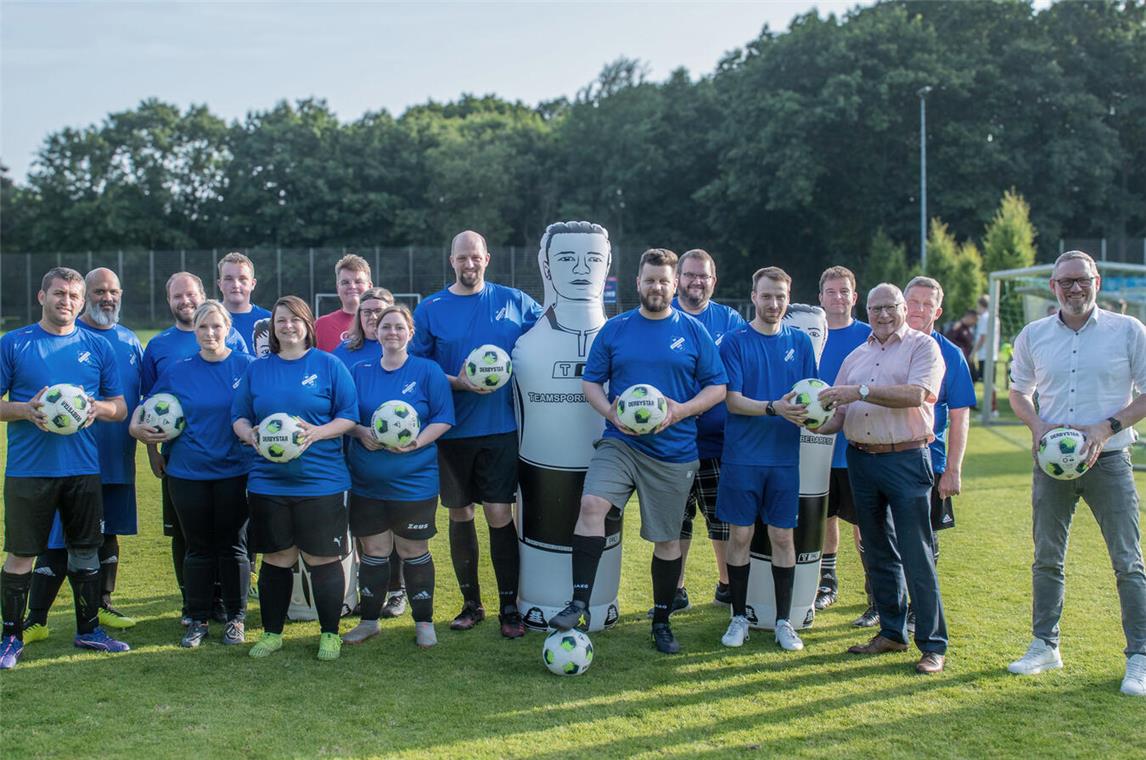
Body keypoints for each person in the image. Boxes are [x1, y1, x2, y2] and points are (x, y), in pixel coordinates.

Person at [549, 248, 727, 654]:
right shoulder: (615, 329)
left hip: (673, 451)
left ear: (675, 283)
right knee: (592, 505)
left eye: (664, 281)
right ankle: (578, 601)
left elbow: (717, 387)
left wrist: (681, 410)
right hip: (621, 442)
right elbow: (591, 382)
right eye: (650, 281)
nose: (657, 288)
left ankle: (662, 621)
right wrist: (612, 411)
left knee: (667, 541)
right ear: (638, 283)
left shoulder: (694, 331)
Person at [1006, 250, 1146, 697]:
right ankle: (1045, 645)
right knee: (1047, 558)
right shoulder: (1034, 334)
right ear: (1053, 287)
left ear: (1096, 282)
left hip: (1109, 461)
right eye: (1065, 282)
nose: (1074, 288)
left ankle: (1140, 655)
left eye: (1081, 280)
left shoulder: (1128, 331)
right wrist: (1038, 425)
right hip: (1051, 465)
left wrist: (1106, 428)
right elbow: (1018, 391)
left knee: (1128, 561)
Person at [411, 230, 543, 638]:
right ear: (451, 260)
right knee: (460, 512)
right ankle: (471, 604)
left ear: (487, 258)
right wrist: (460, 383)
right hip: (451, 430)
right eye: (461, 258)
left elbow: (550, 334)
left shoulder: (515, 301)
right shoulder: (431, 308)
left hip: (501, 429)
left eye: (476, 257)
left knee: (500, 514)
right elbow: (421, 371)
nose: (469, 265)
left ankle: (509, 607)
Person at [1, 267, 129, 670]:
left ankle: (89, 630)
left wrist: (98, 408)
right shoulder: (14, 344)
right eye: (59, 294)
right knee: (21, 554)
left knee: (86, 550)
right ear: (42, 297)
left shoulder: (97, 346)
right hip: (28, 469)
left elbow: (120, 406)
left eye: (74, 296)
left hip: (82, 468)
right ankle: (10, 637)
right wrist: (25, 409)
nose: (67, 302)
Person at [818, 283, 947, 674]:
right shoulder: (857, 355)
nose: (883, 315)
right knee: (877, 551)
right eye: (876, 309)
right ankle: (891, 632)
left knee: (916, 552)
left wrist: (859, 390)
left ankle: (933, 645)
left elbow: (918, 394)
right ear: (868, 312)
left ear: (904, 308)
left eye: (890, 307)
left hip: (906, 458)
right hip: (862, 459)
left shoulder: (923, 347)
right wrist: (808, 419)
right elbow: (839, 414)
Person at [232, 296, 358, 661]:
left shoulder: (329, 365)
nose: (287, 326)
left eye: (294, 320)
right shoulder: (258, 369)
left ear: (307, 325)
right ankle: (272, 633)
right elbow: (238, 415)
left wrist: (317, 433)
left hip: (322, 481)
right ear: (272, 328)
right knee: (277, 558)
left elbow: (348, 415)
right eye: (280, 320)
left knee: (322, 559)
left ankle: (330, 634)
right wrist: (249, 435)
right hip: (268, 481)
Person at [22, 268, 144, 642]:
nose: (107, 298)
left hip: (118, 457)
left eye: (113, 291)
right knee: (60, 539)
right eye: (98, 291)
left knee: (106, 536)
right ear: (84, 296)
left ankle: (100, 607)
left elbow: (141, 402)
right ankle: (37, 618)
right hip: (72, 460)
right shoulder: (71, 337)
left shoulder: (129, 340)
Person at [132, 301, 255, 648]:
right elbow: (146, 411)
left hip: (235, 471)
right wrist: (141, 435)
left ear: (228, 328)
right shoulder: (179, 370)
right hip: (187, 473)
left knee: (234, 548)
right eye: (204, 327)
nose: (210, 333)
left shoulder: (247, 367)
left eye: (217, 326)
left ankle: (236, 618)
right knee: (197, 549)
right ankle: (196, 619)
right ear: (195, 332)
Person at [344, 304, 454, 648]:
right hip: (367, 482)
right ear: (375, 332)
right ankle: (369, 621)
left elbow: (443, 417)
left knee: (412, 548)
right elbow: (346, 418)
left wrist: (417, 441)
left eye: (398, 327)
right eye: (385, 327)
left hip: (414, 480)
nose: (391, 332)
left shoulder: (428, 371)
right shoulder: (359, 371)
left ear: (410, 333)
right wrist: (363, 432)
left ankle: (424, 622)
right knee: (374, 550)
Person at [717, 267, 816, 652]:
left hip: (784, 460)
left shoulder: (801, 344)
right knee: (740, 536)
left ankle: (783, 622)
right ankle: (738, 617)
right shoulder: (734, 341)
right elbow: (731, 399)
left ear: (788, 298)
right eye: (766, 296)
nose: (773, 304)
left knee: (781, 537)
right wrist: (774, 408)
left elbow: (810, 396)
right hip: (742, 457)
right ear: (753, 297)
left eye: (780, 296)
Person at [665, 248, 746, 612]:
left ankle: (727, 585)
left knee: (722, 521)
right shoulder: (662, 316)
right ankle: (675, 589)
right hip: (673, 442)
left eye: (704, 276)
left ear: (714, 281)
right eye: (689, 274)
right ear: (678, 277)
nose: (696, 281)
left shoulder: (728, 320)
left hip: (719, 442)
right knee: (676, 522)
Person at [903, 276, 976, 630]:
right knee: (883, 539)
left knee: (923, 540)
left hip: (928, 462)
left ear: (938, 310)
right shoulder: (884, 345)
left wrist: (954, 469)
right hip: (883, 459)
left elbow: (961, 416)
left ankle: (921, 609)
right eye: (912, 302)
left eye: (925, 304)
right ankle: (882, 605)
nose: (917, 310)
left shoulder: (950, 354)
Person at [814, 266, 872, 621]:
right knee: (825, 517)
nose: (837, 297)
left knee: (865, 521)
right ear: (820, 298)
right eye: (830, 292)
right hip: (818, 446)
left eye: (843, 291)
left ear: (855, 296)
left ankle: (875, 590)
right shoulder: (808, 335)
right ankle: (827, 583)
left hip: (861, 448)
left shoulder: (870, 336)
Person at [315, 254, 373, 352]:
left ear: (370, 286)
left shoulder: (382, 324)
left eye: (358, 282)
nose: (352, 286)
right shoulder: (321, 325)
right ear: (338, 288)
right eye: (345, 282)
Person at [217, 252, 272, 354]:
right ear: (220, 284)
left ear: (253, 284)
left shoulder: (270, 321)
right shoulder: (206, 321)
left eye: (242, 279)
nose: (236, 285)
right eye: (229, 279)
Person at [330, 286, 393, 371]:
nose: (373, 317)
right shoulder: (344, 350)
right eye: (367, 312)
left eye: (378, 311)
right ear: (359, 316)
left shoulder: (403, 348)